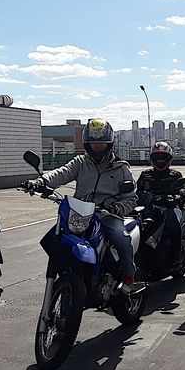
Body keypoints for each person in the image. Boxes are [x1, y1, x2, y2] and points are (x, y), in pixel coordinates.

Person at [28, 118, 139, 293]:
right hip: (80, 214)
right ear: (87, 143)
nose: (97, 146)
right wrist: (39, 182)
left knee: (121, 238)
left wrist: (117, 208)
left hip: (107, 215)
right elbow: (61, 173)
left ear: (109, 142)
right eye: (94, 142)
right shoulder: (80, 162)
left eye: (101, 142)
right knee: (54, 238)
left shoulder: (121, 168)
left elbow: (131, 198)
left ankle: (129, 276)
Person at [136, 141, 185, 265]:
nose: (160, 160)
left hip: (170, 208)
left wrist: (181, 193)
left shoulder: (175, 175)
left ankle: (176, 256)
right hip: (150, 208)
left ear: (169, 159)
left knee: (172, 223)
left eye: (163, 157)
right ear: (152, 158)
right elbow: (137, 193)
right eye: (157, 157)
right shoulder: (145, 175)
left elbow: (183, 187)